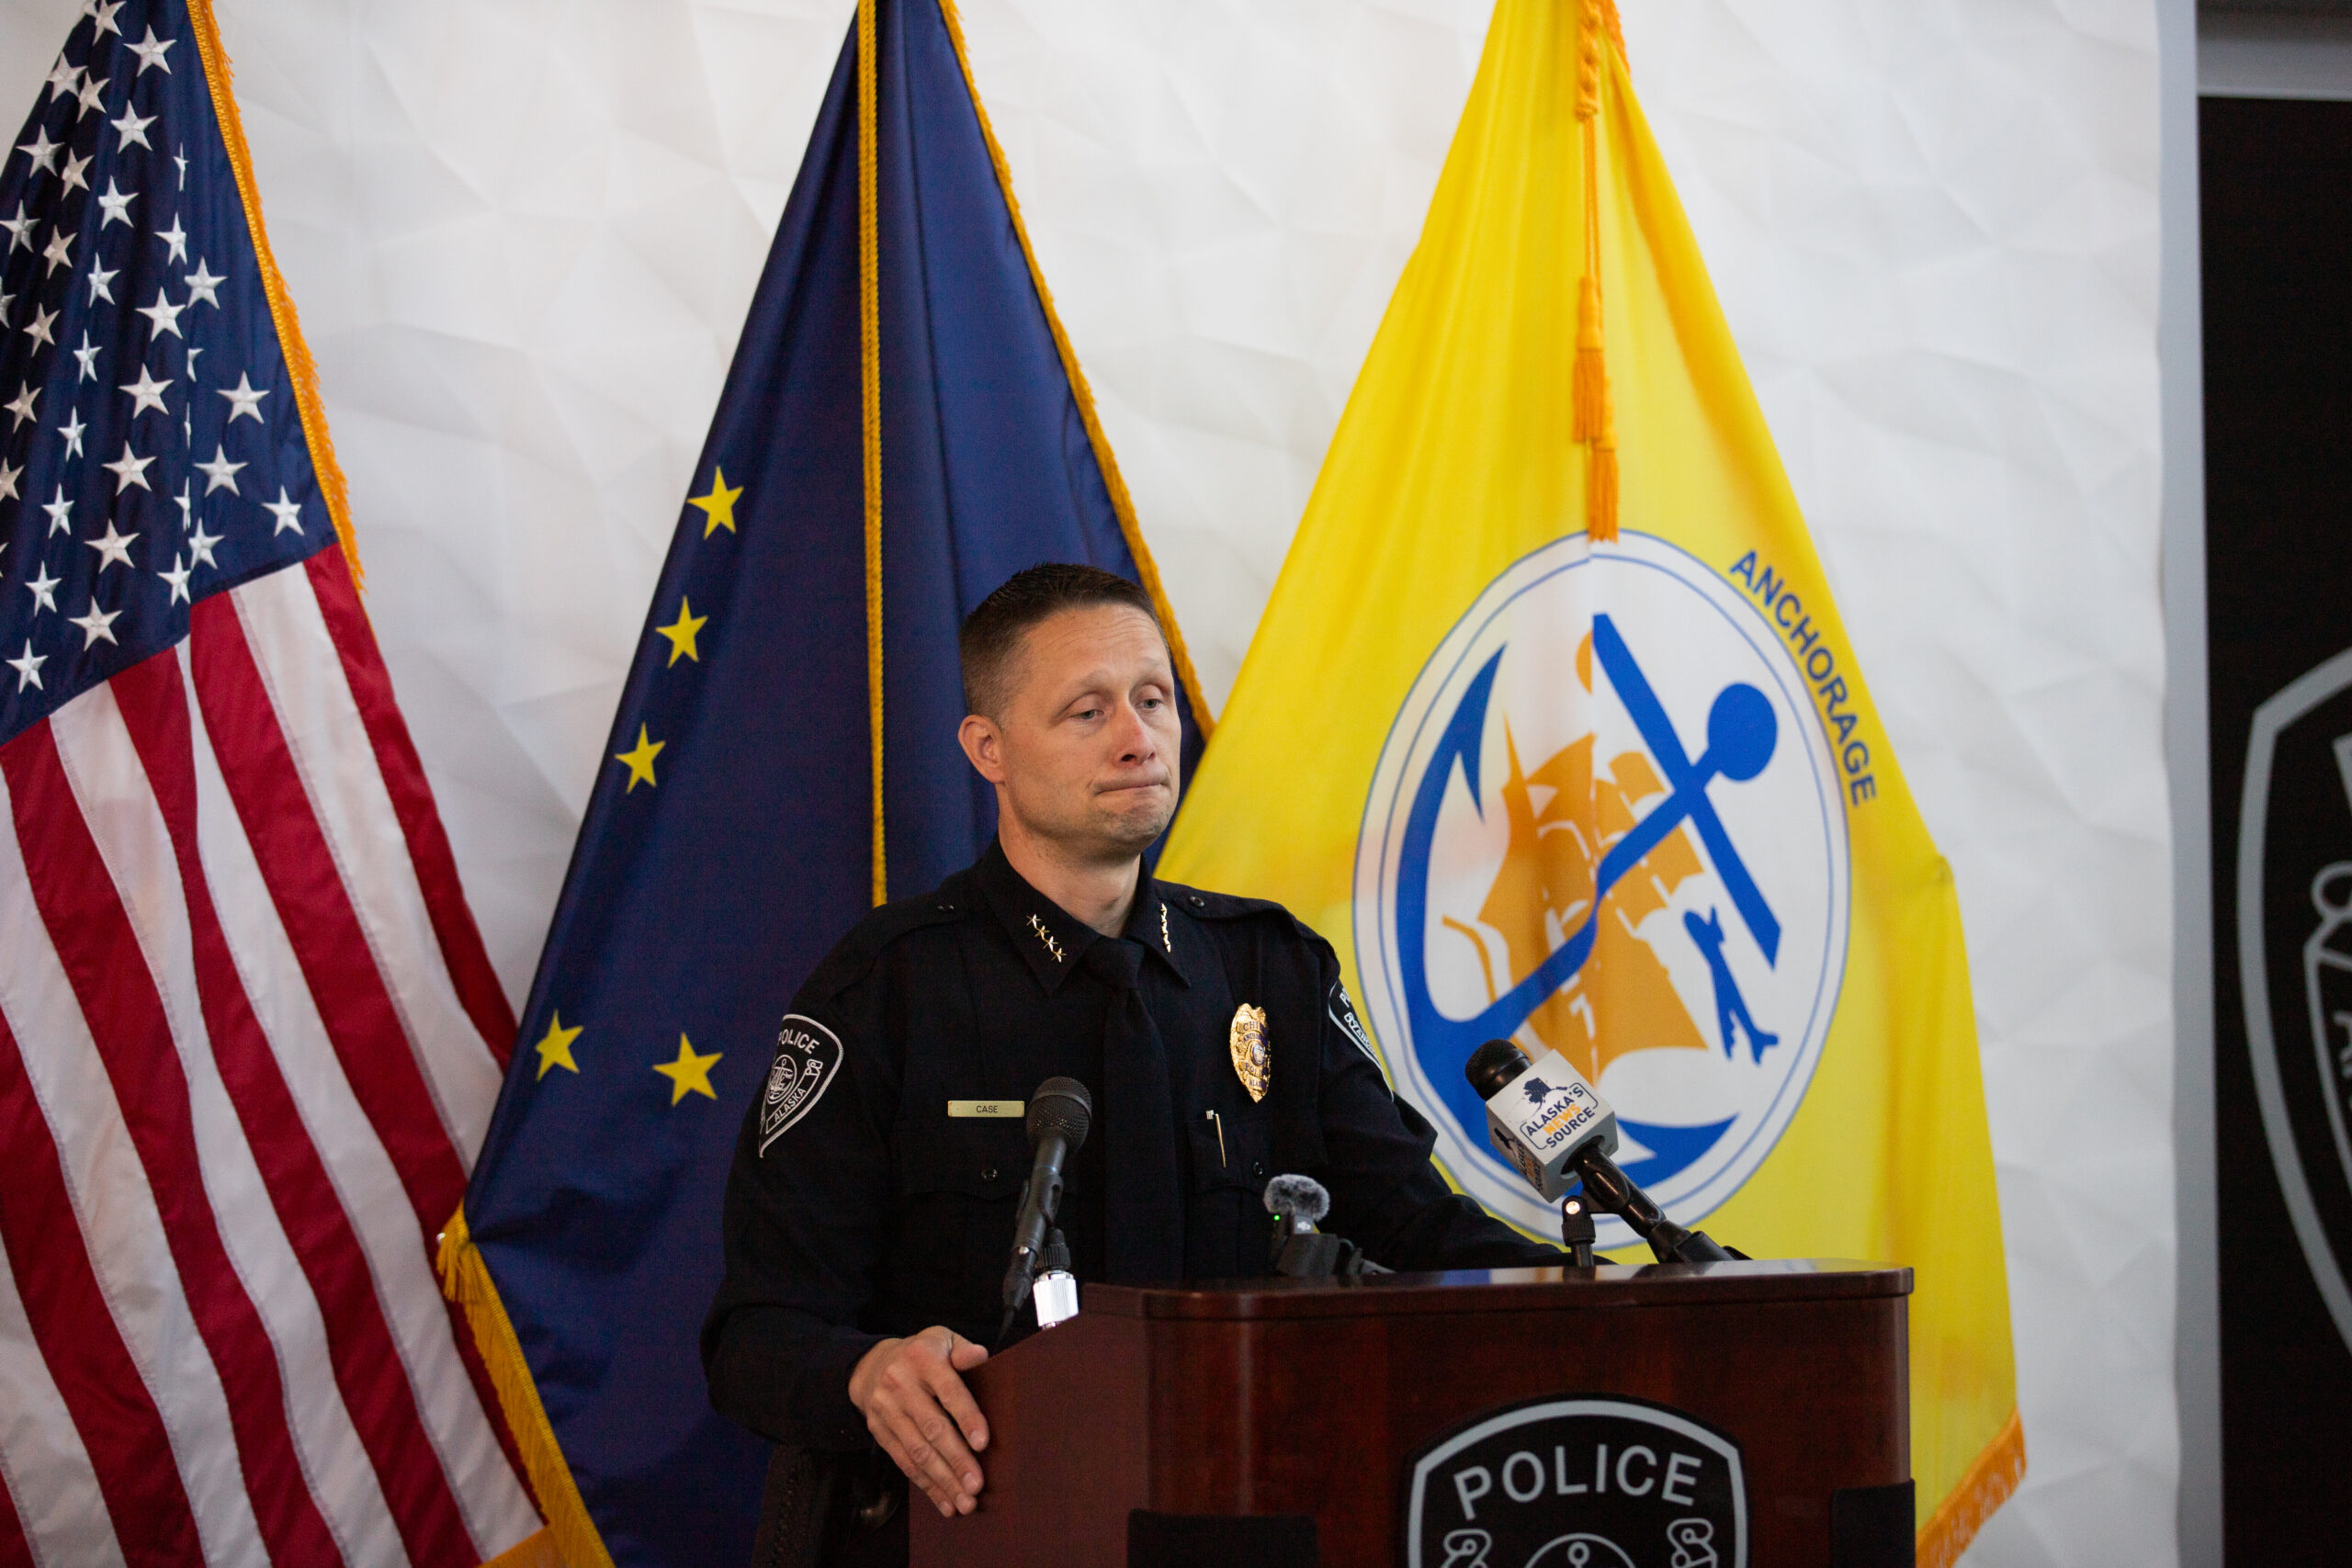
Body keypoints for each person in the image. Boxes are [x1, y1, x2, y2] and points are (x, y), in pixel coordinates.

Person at [702, 563, 1558, 1564]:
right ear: (989, 748)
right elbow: (756, 1333)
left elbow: (1418, 1231)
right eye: (1086, 709)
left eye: (1153, 699)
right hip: (978, 1532)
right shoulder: (885, 991)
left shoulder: (1269, 971)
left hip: (1251, 1523)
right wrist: (864, 1374)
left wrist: (1616, 1298)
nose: (1138, 737)